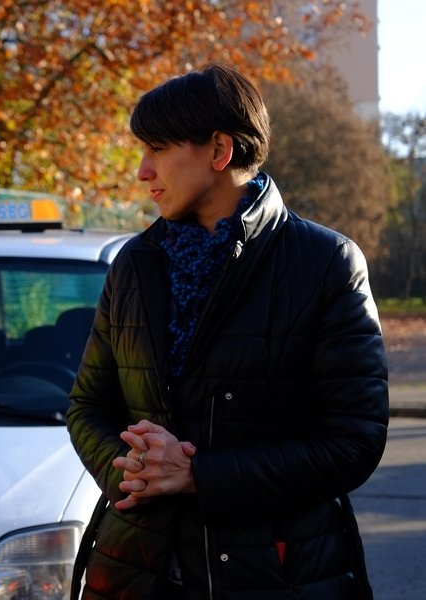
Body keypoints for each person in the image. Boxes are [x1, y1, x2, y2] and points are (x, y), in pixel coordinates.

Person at [66, 64, 388, 599]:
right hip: (136, 570)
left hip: (279, 575)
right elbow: (87, 406)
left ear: (219, 150)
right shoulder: (135, 264)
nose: (143, 171)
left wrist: (199, 475)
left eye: (158, 149)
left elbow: (353, 441)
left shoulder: (325, 262)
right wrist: (131, 471)